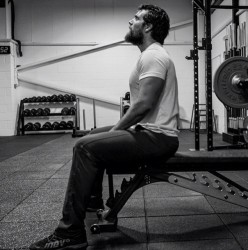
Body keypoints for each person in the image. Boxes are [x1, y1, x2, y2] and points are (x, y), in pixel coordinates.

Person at [29, 4, 179, 250]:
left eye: (136, 18)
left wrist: (116, 131)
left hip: (158, 136)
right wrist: (112, 132)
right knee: (92, 136)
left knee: (85, 146)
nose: (131, 22)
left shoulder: (154, 54)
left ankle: (70, 233)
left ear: (148, 26)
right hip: (149, 131)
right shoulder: (149, 54)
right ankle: (92, 203)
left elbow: (144, 104)